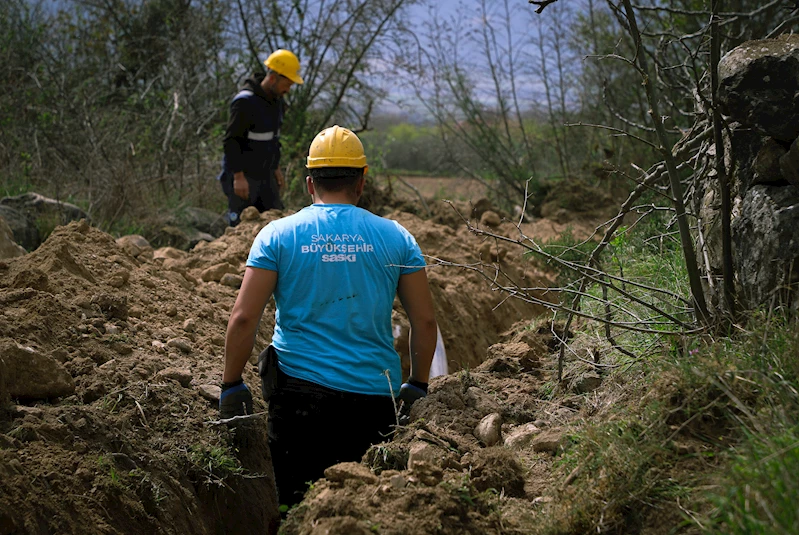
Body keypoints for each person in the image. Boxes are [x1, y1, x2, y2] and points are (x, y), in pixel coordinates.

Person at [219, 125, 438, 507]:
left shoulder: (277, 235)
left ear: (308, 183)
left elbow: (242, 319)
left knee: (296, 508)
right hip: (372, 402)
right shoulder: (397, 237)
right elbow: (425, 322)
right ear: (362, 181)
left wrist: (231, 383)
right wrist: (418, 384)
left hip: (298, 404)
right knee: (363, 513)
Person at [218, 49, 304, 226]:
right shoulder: (245, 102)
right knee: (242, 227)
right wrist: (238, 177)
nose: (288, 90)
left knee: (276, 221)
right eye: (286, 84)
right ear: (273, 78)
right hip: (244, 177)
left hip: (265, 175)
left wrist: (276, 167)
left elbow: (273, 139)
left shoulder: (277, 102)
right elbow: (231, 141)